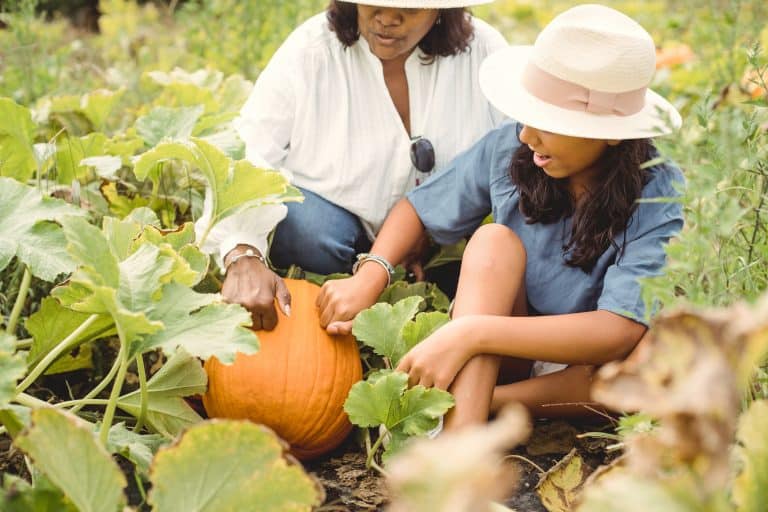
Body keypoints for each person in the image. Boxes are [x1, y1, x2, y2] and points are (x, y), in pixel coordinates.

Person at [316, 3, 685, 430]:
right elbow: (418, 208)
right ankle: (460, 444)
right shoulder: (513, 147)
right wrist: (371, 274)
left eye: (550, 121)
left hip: (590, 371)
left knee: (652, 359)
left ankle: (481, 402)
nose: (527, 135)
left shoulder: (657, 190)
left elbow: (617, 331)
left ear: (612, 135)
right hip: (510, 341)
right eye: (529, 115)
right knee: (493, 242)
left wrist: (470, 333)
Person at [195, 0, 507, 329]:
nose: (388, 18)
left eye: (411, 9)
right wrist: (241, 251)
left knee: (486, 253)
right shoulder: (311, 50)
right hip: (335, 239)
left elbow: (516, 157)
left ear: (442, 9)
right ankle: (345, 292)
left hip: (441, 245)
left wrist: (430, 229)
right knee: (301, 226)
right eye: (373, 3)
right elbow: (252, 148)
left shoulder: (483, 54)